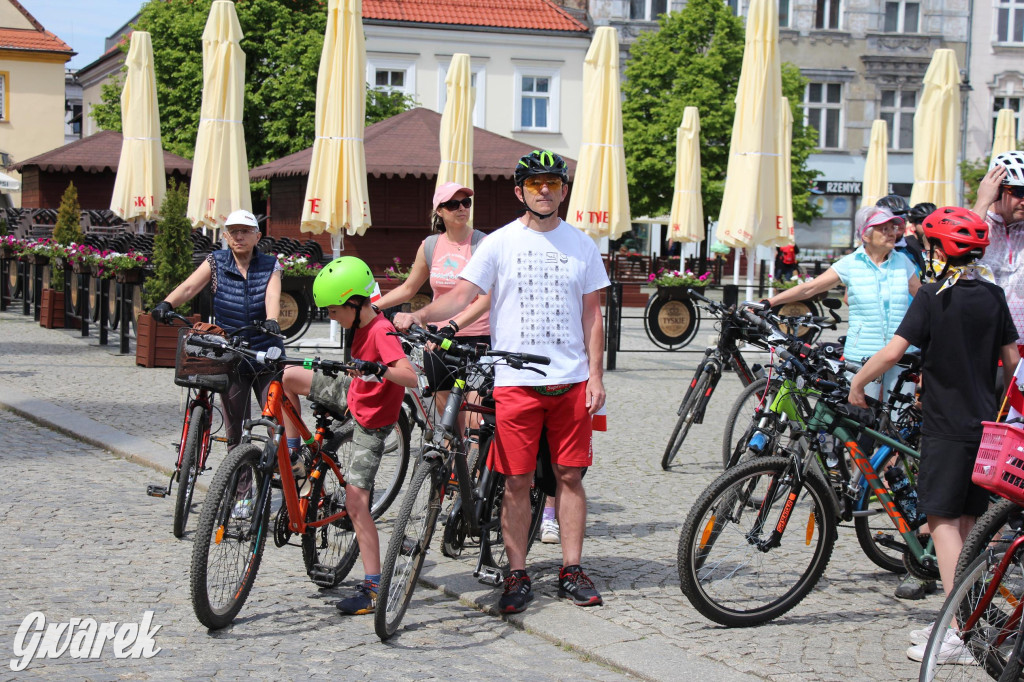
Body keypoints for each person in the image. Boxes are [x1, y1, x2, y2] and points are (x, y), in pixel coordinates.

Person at [394, 149, 609, 613]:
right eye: (536, 184)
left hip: (570, 382)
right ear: (520, 192)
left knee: (569, 477)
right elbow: (462, 297)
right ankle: (517, 573)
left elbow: (594, 315)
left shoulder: (583, 245)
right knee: (517, 481)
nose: (545, 190)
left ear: (564, 190)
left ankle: (571, 568)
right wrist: (419, 316)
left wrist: (596, 376)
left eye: (553, 183)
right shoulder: (500, 243)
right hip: (514, 382)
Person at [847, 207, 1019, 664]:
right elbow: (1012, 363)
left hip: (944, 428)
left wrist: (859, 383)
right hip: (984, 430)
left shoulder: (932, 296)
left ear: (938, 249)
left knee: (942, 525)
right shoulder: (993, 294)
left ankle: (959, 631)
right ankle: (971, 620)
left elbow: (893, 351)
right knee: (966, 527)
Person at [280, 256, 418, 616]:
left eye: (333, 310)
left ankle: (373, 588)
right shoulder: (358, 324)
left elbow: (410, 375)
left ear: (355, 303)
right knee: (288, 378)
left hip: (373, 422)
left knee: (356, 502)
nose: (330, 317)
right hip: (352, 392)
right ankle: (298, 453)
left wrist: (382, 368)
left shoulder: (381, 332)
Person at [150, 209, 285, 451]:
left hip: (266, 353)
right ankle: (239, 487)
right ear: (225, 236)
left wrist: (272, 319)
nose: (239, 237)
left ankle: (284, 471)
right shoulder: (216, 261)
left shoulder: (270, 264)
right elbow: (190, 287)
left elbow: (272, 293)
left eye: (245, 231)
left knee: (273, 422)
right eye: (233, 232)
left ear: (258, 236)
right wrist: (167, 303)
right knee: (235, 429)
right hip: (231, 353)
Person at [373, 181, 491, 424]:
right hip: (438, 342)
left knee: (473, 423)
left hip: (477, 339)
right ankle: (448, 461)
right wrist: (374, 307)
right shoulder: (430, 246)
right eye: (453, 204)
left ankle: (476, 463)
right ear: (439, 210)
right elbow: (408, 288)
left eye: (466, 203)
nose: (462, 208)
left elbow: (485, 300)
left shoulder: (483, 244)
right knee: (447, 423)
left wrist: (454, 326)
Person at [768, 205, 921, 374]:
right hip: (862, 355)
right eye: (884, 229)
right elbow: (809, 288)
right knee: (860, 400)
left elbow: (922, 297)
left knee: (901, 401)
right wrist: (770, 302)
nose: (892, 233)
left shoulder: (903, 262)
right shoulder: (851, 263)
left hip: (901, 353)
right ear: (866, 235)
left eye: (893, 228)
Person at [975, 151, 1024, 351]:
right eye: (1019, 192)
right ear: (997, 190)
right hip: (982, 342)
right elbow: (962, 250)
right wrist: (982, 201)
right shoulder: (977, 221)